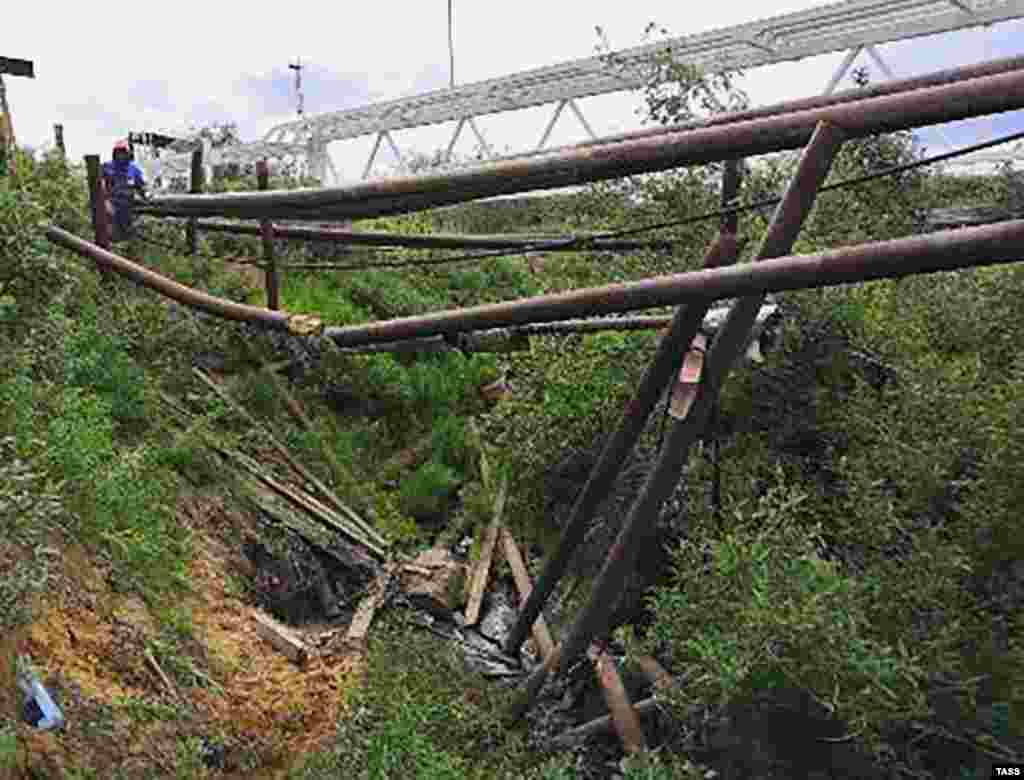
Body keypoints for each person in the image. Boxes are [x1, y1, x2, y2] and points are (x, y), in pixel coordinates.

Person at [102, 139, 147, 241]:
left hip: (128, 205)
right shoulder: (106, 167)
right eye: (118, 153)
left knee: (127, 232)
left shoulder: (134, 169)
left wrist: (146, 196)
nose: (120, 156)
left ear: (128, 153)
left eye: (123, 152)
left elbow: (142, 187)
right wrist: (105, 201)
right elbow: (97, 184)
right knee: (110, 230)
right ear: (114, 154)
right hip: (111, 203)